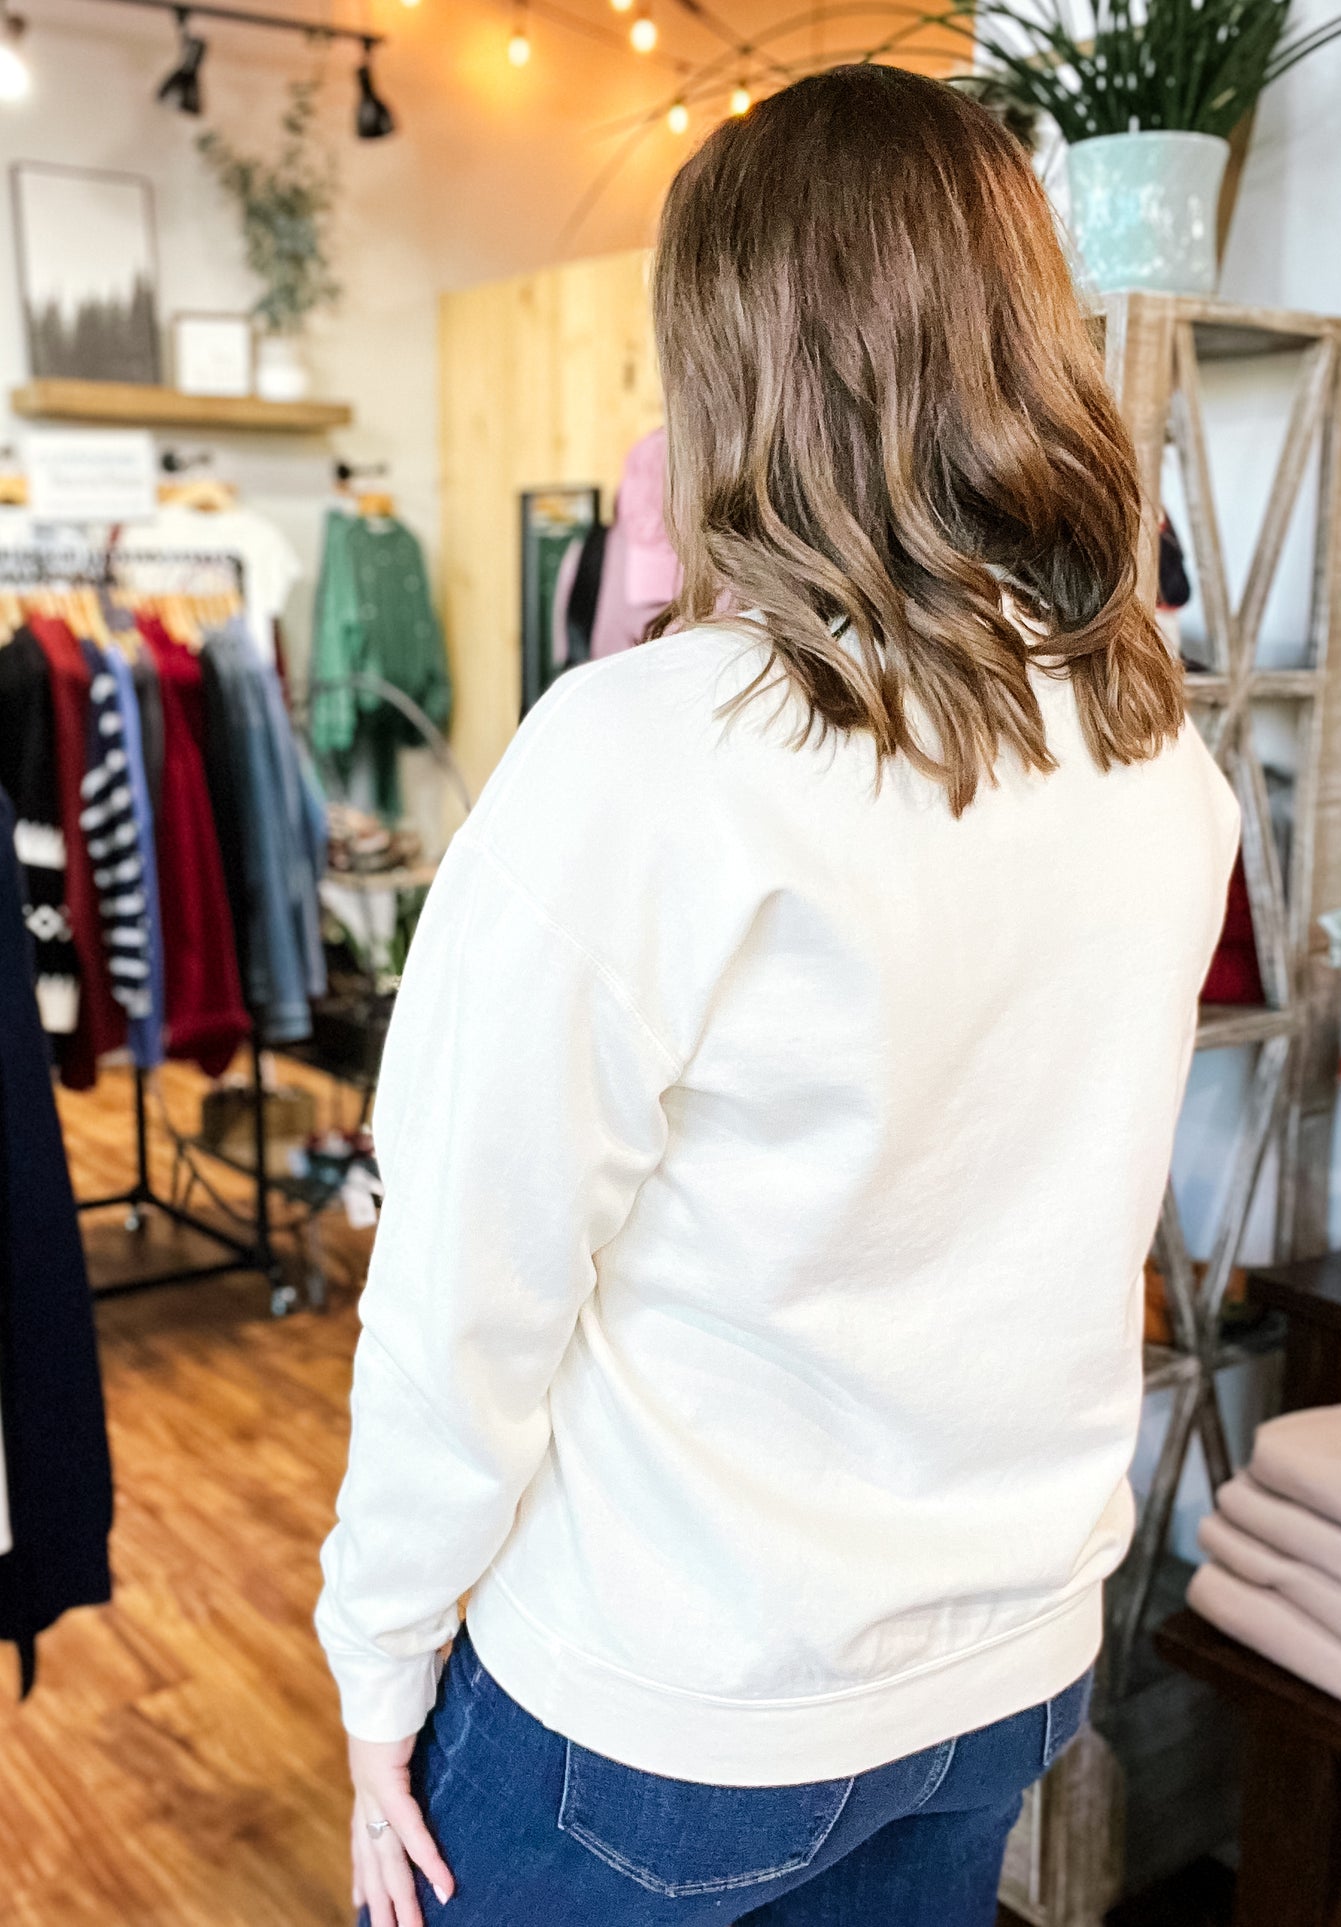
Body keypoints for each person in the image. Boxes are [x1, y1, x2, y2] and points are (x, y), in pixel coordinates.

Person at [316, 62, 1238, 1927]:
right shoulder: (1156, 755)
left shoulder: (647, 758)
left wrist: (376, 1660)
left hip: (678, 1697)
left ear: (731, 362)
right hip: (1005, 1662)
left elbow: (467, 1282)